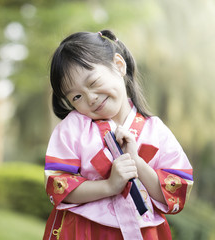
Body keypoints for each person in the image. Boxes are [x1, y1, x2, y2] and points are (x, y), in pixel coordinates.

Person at [43, 30, 193, 240]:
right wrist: (109, 186)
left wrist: (137, 163)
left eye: (93, 82)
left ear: (119, 65)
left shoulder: (156, 131)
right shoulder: (72, 129)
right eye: (77, 96)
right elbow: (57, 185)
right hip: (84, 231)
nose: (91, 98)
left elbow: (176, 190)